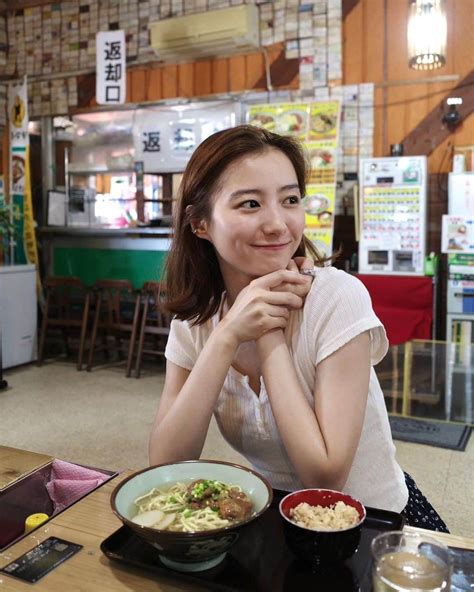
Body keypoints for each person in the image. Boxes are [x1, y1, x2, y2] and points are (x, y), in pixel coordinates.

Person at [149, 124, 448, 532]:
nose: (278, 223)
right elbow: (165, 464)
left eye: (290, 199)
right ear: (200, 223)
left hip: (375, 524)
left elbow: (325, 477)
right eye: (250, 204)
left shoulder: (337, 298)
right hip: (276, 523)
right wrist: (228, 335)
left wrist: (268, 332)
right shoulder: (197, 320)